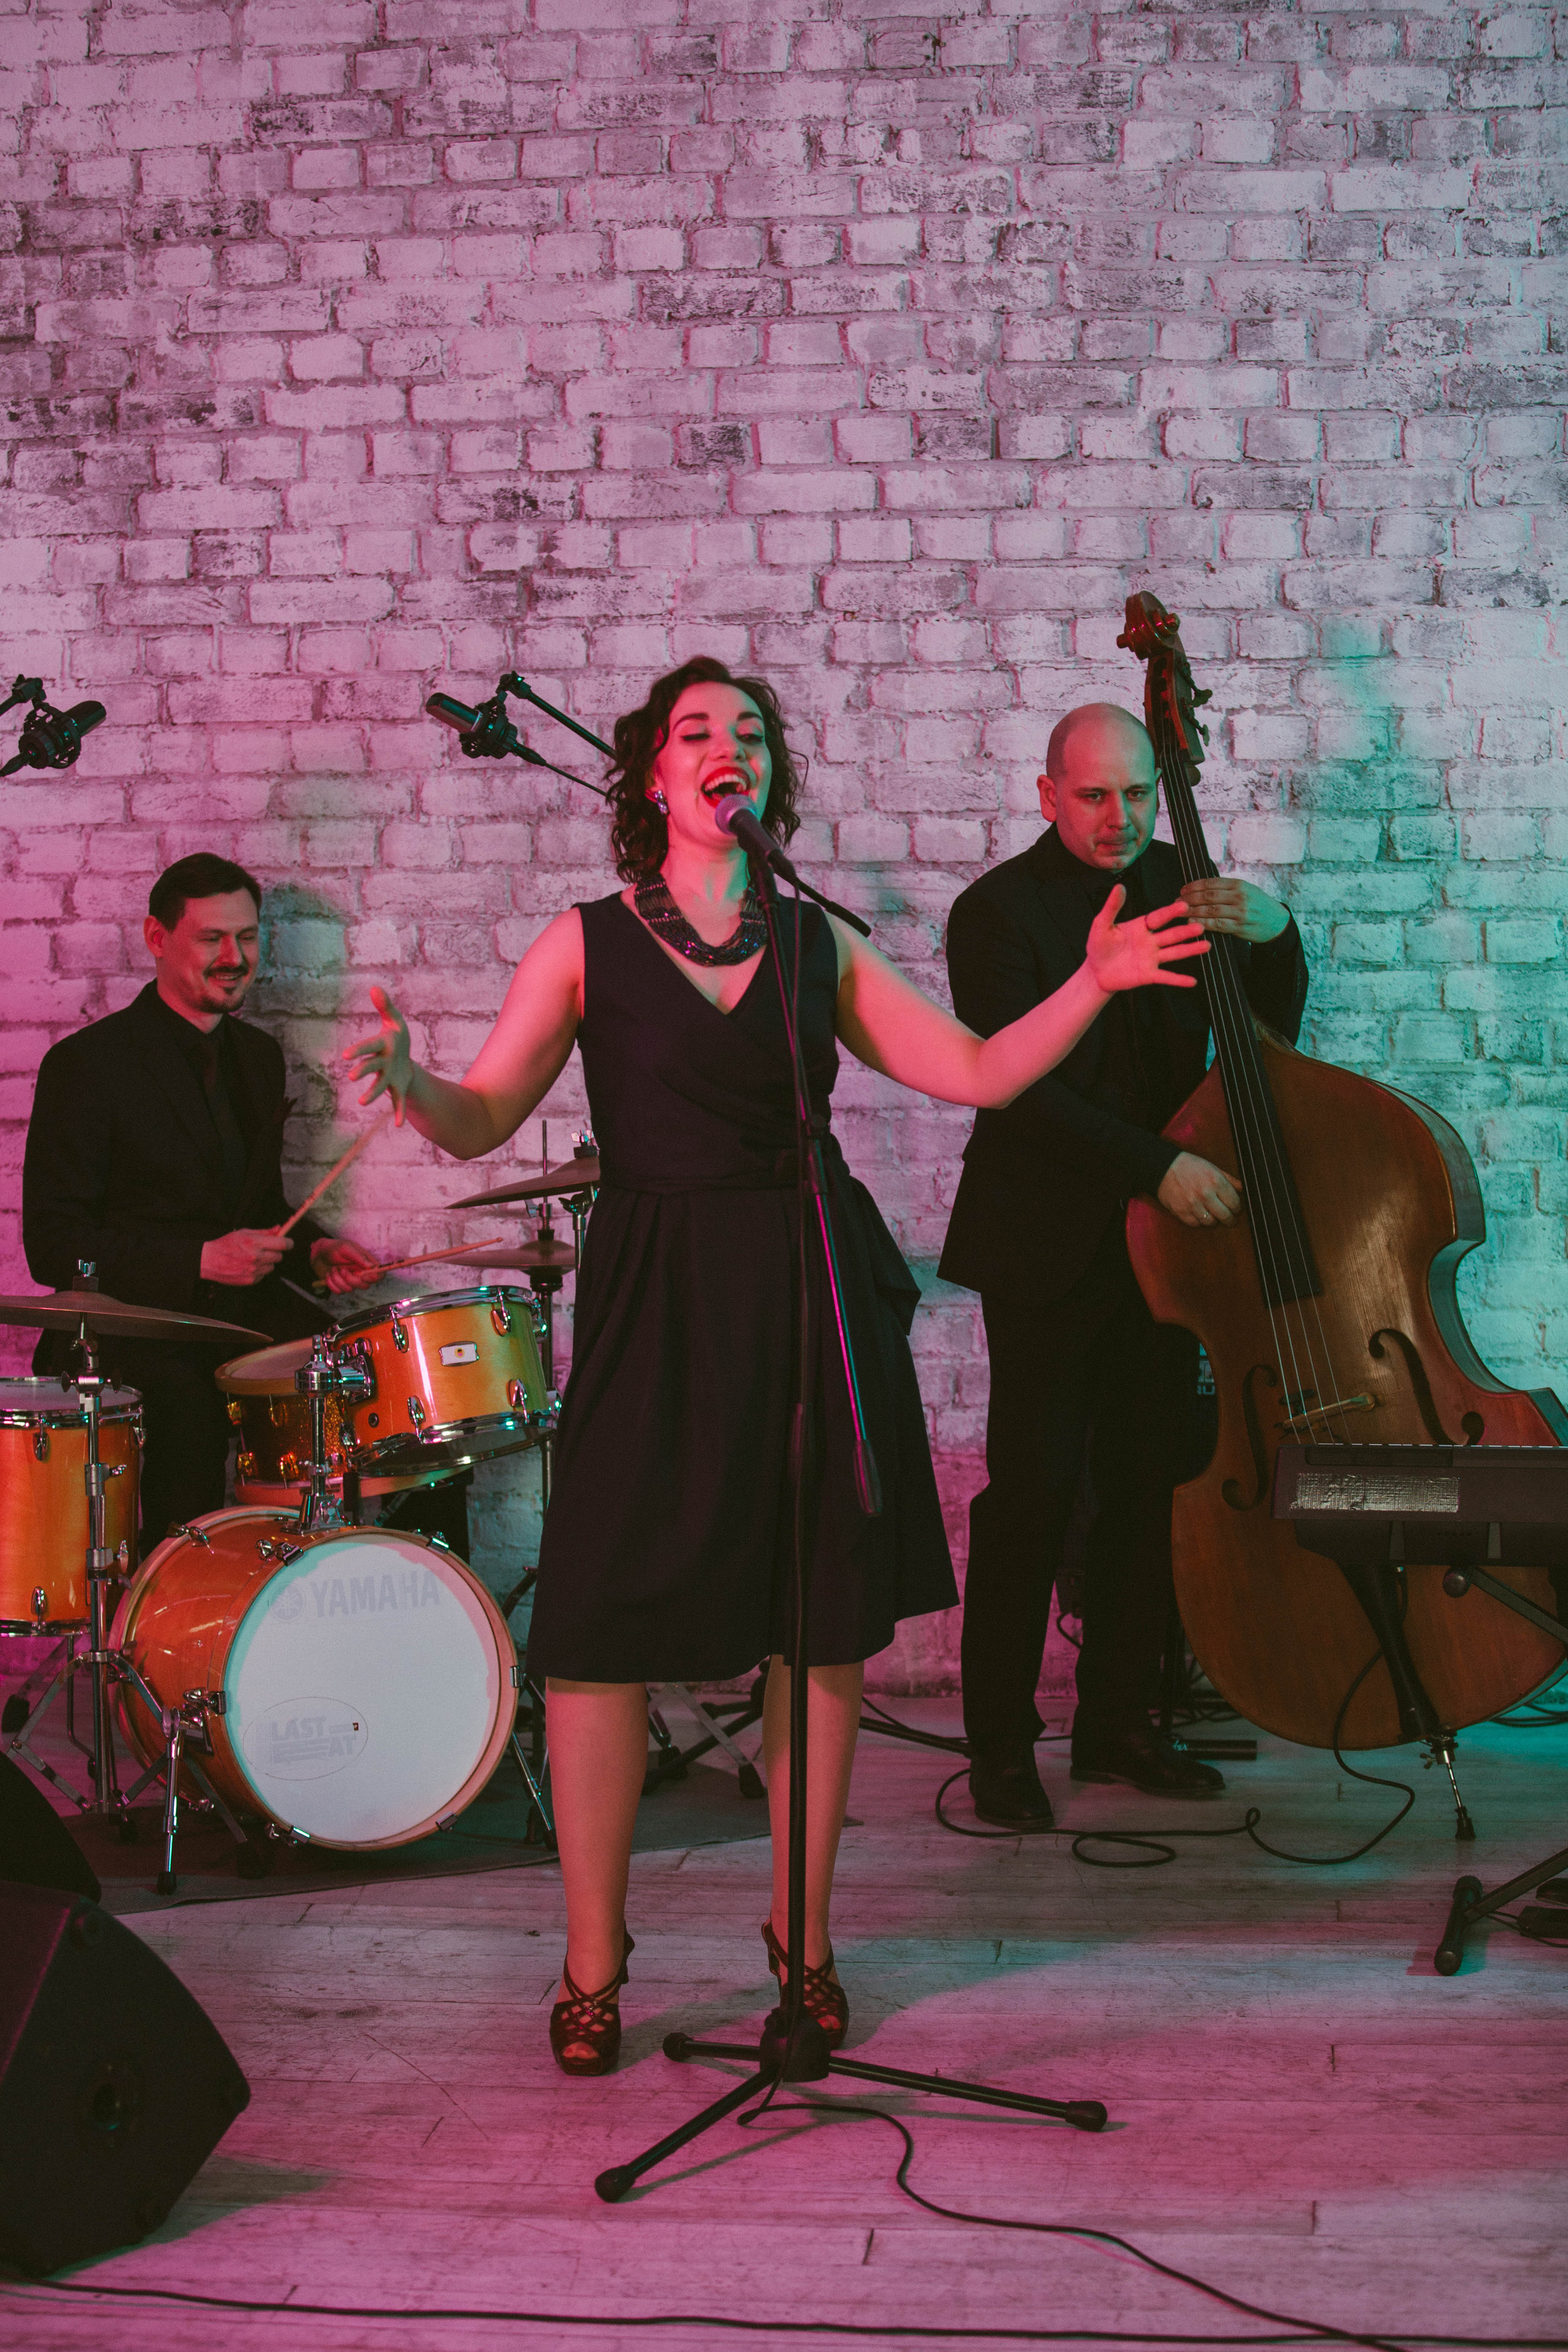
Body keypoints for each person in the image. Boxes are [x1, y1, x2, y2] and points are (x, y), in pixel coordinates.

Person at [345, 656, 1210, 2076]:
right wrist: (410, 1081)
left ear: (766, 780)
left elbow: (979, 1071)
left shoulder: (819, 942)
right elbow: (481, 1112)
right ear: (650, 775)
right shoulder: (581, 943)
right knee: (600, 1632)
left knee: (818, 1626)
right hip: (657, 1297)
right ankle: (592, 1955)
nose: (726, 744)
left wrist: (1096, 981)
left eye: (748, 730)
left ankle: (801, 1943)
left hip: (806, 1288)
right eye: (696, 729)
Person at [940, 703, 1309, 1823]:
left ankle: (1118, 1726)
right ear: (1047, 793)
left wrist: (1276, 933)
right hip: (1047, 1243)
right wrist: (1156, 1167)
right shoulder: (994, 911)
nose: (1120, 816)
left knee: (1150, 1488)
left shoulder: (1180, 889)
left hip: (1170, 1248)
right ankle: (1001, 1746)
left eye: (1138, 792)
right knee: (1034, 1493)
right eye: (1094, 794)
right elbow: (1021, 1091)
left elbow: (1264, 1043)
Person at [23, 853, 382, 1546]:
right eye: (212, 938)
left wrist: (312, 1250)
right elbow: (53, 1243)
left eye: (246, 937)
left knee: (364, 1380)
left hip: (235, 1316)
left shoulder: (258, 1057)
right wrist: (200, 1260)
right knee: (186, 1431)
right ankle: (173, 1603)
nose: (234, 957)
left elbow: (257, 1205)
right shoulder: (85, 1066)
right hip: (135, 1328)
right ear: (157, 938)